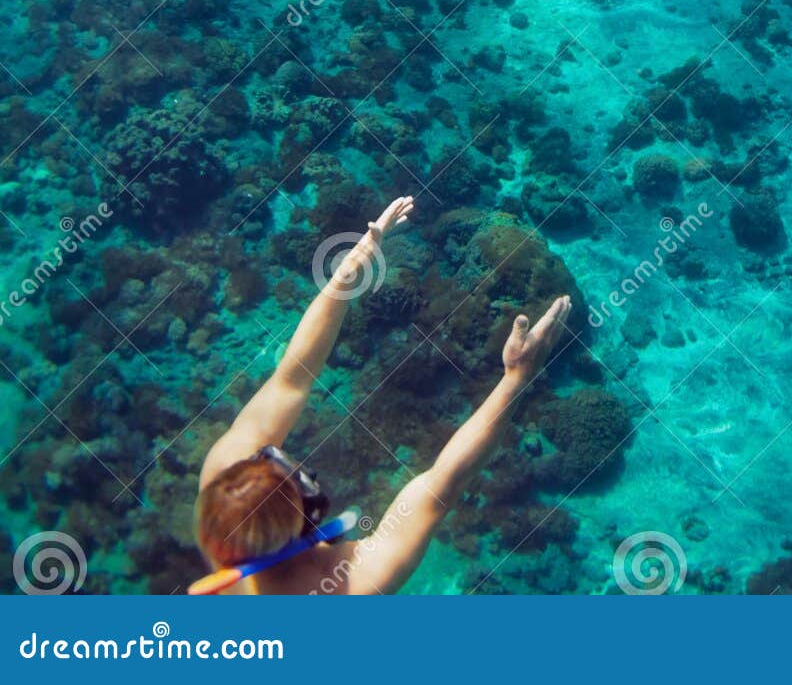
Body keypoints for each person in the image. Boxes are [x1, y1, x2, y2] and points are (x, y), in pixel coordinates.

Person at [191, 195, 571, 594]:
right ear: (308, 516)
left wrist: (347, 273)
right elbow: (441, 486)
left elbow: (291, 378)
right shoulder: (354, 583)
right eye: (299, 483)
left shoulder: (222, 484)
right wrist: (517, 377)